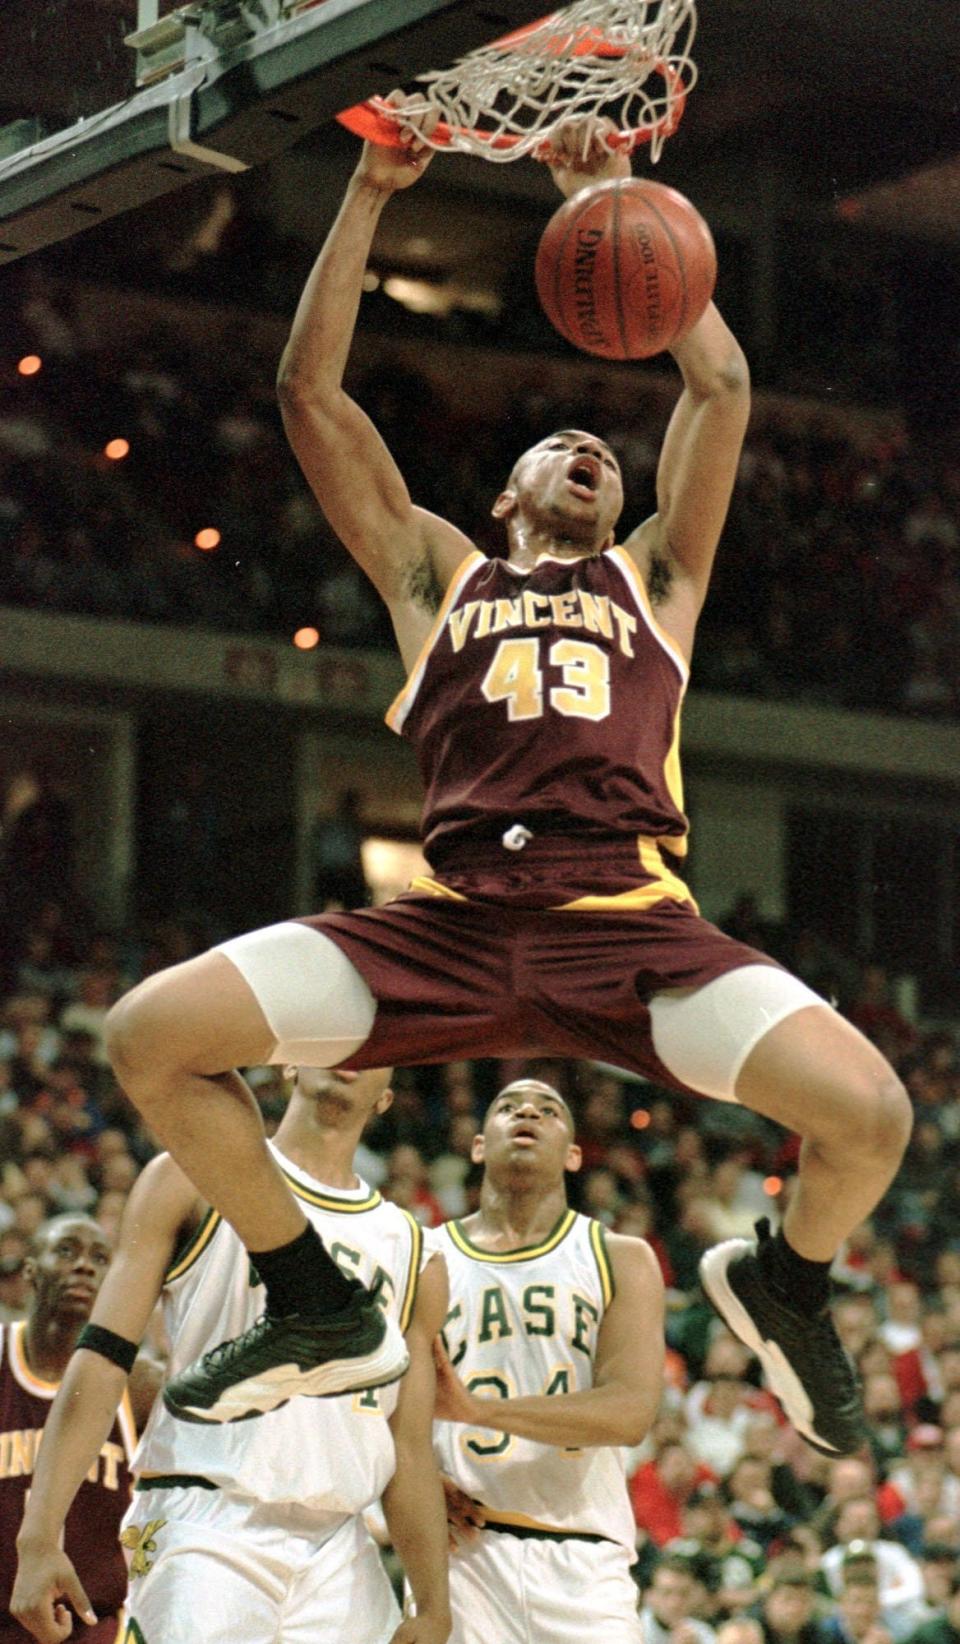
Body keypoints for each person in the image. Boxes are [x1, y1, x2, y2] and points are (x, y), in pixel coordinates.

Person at [100, 99, 911, 1454]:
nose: (592, 454)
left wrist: (594, 205)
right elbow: (310, 397)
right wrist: (368, 190)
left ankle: (785, 1281)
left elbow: (719, 391)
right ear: (507, 495)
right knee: (145, 1039)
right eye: (562, 450)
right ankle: (307, 1296)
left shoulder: (660, 578)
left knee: (872, 1118)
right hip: (453, 924)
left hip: (631, 930)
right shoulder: (436, 576)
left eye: (604, 453)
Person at [11, 1068, 450, 1644]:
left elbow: (410, 1445)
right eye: (334, 1039)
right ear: (292, 1061)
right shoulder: (188, 1177)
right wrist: (39, 1533)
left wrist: (433, 1603)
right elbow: (100, 1357)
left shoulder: (415, 1250)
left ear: (389, 1095)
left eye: (372, 1052)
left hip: (342, 1545)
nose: (350, 1056)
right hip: (205, 1517)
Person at [426, 1077, 663, 1642]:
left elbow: (627, 1416)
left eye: (548, 1110)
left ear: (574, 1155)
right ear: (478, 1145)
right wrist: (409, 1476)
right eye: (506, 1106)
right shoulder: (421, 1255)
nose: (526, 1111)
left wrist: (477, 1411)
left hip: (585, 1557)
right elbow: (377, 1398)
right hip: (462, 1554)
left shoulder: (620, 1258)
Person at [1, 1214, 157, 1644]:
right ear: (31, 1269)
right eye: (66, 1251)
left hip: (98, 1623)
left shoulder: (141, 1385)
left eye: (100, 1257)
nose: (84, 1265)